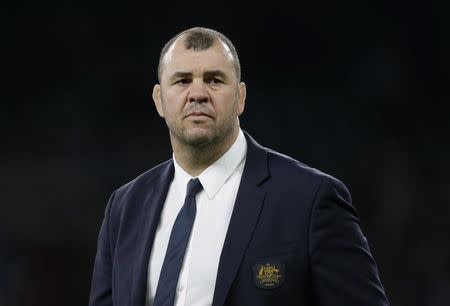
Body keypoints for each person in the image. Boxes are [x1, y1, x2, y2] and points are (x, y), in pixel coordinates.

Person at [88, 27, 389, 306]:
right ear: (159, 100)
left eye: (214, 80)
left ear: (241, 98)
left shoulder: (310, 200)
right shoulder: (125, 206)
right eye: (182, 80)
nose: (197, 94)